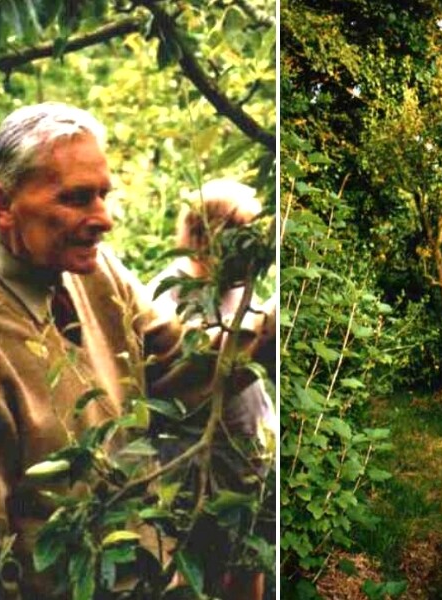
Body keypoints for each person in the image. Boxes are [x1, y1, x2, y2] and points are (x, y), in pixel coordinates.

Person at [0, 103, 274, 598]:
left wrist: (271, 328)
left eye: (104, 194)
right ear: (3, 204)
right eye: (77, 198)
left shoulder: (94, 270)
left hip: (152, 572)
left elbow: (178, 367)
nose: (105, 218)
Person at [144, 180, 276, 600]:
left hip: (247, 450)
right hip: (193, 457)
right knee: (188, 558)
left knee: (246, 556)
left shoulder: (241, 287)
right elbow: (176, 372)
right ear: (205, 235)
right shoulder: (172, 291)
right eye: (241, 233)